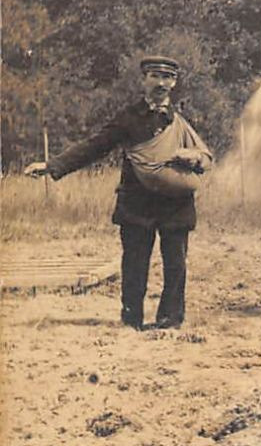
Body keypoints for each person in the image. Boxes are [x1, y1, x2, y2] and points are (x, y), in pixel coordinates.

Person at [25, 55, 212, 329]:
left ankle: (170, 322)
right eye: (155, 76)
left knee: (176, 264)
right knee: (134, 263)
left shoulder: (186, 118)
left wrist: (193, 157)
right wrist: (53, 166)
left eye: (167, 77)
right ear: (143, 80)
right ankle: (131, 320)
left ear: (174, 82)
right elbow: (95, 145)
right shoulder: (127, 118)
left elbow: (206, 154)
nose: (161, 83)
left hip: (176, 203)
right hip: (138, 202)